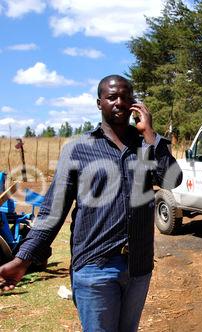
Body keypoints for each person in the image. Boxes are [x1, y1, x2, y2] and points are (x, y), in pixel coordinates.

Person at [0, 74, 182, 331]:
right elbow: (53, 210)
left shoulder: (146, 146)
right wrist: (24, 259)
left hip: (139, 267)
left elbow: (172, 180)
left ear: (134, 103)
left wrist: (151, 135)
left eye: (125, 97)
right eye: (112, 97)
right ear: (99, 103)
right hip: (95, 267)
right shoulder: (78, 149)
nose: (119, 102)